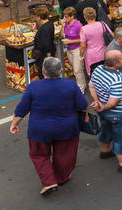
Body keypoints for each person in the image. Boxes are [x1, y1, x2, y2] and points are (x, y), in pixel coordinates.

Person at [13, 55, 86, 195]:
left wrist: (14, 124)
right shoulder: (70, 85)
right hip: (67, 128)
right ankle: (62, 177)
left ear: (43, 71)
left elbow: (22, 108)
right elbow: (82, 105)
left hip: (39, 130)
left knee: (39, 155)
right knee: (65, 154)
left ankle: (49, 181)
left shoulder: (33, 87)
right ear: (60, 70)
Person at [87, 48, 122, 171]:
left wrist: (98, 102)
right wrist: (103, 106)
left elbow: (92, 86)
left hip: (105, 113)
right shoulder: (116, 80)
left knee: (106, 130)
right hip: (120, 114)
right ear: (115, 63)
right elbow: (113, 103)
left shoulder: (99, 69)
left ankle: (105, 151)